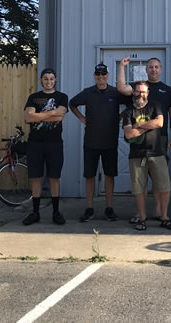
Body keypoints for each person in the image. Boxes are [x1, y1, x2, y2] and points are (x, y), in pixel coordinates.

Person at [117, 57, 171, 220]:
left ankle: (157, 210)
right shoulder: (138, 87)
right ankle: (141, 213)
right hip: (139, 144)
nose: (154, 69)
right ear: (146, 69)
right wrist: (121, 66)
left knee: (159, 179)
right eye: (151, 67)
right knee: (140, 180)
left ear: (161, 69)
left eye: (156, 67)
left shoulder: (168, 90)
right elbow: (121, 87)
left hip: (160, 139)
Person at [69, 63, 126, 222]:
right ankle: (89, 208)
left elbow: (131, 104)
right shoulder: (88, 93)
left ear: (108, 75)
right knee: (90, 175)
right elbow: (72, 103)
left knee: (109, 175)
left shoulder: (115, 92)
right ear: (95, 76)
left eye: (103, 74)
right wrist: (82, 118)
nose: (101, 77)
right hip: (91, 141)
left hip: (110, 141)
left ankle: (109, 208)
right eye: (98, 74)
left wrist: (121, 117)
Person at [22, 68, 68, 226]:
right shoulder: (33, 97)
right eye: (46, 79)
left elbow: (60, 116)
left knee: (54, 177)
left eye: (51, 79)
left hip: (55, 143)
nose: (49, 81)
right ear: (41, 80)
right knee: (36, 178)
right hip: (35, 143)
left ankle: (56, 212)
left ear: (55, 80)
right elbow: (28, 118)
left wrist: (37, 116)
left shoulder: (62, 97)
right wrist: (52, 114)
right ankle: (35, 212)